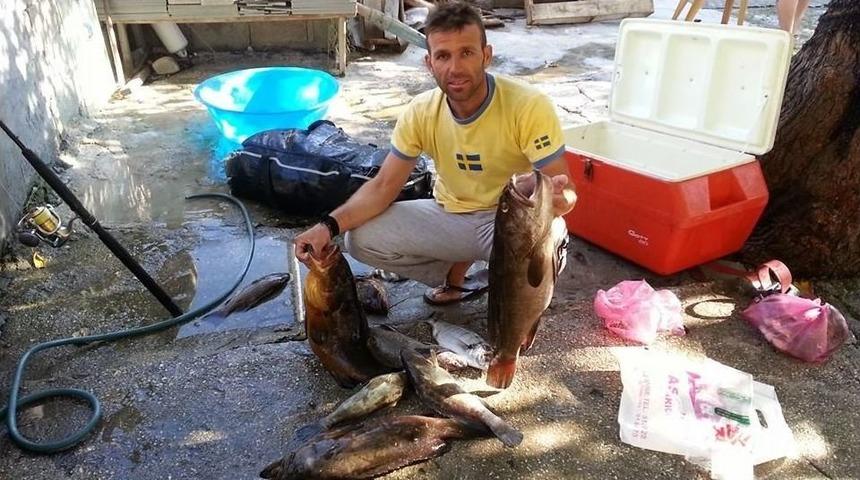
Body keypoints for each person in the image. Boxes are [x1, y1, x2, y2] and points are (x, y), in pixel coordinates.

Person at [294, 1, 576, 305]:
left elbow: (566, 190)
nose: (455, 68)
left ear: (487, 56)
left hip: (511, 220)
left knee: (549, 244)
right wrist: (327, 226)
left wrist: (559, 201)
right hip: (452, 216)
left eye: (466, 52)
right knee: (360, 239)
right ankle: (455, 271)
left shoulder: (529, 106)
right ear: (430, 63)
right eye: (443, 56)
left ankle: (510, 295)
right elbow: (383, 186)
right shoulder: (421, 112)